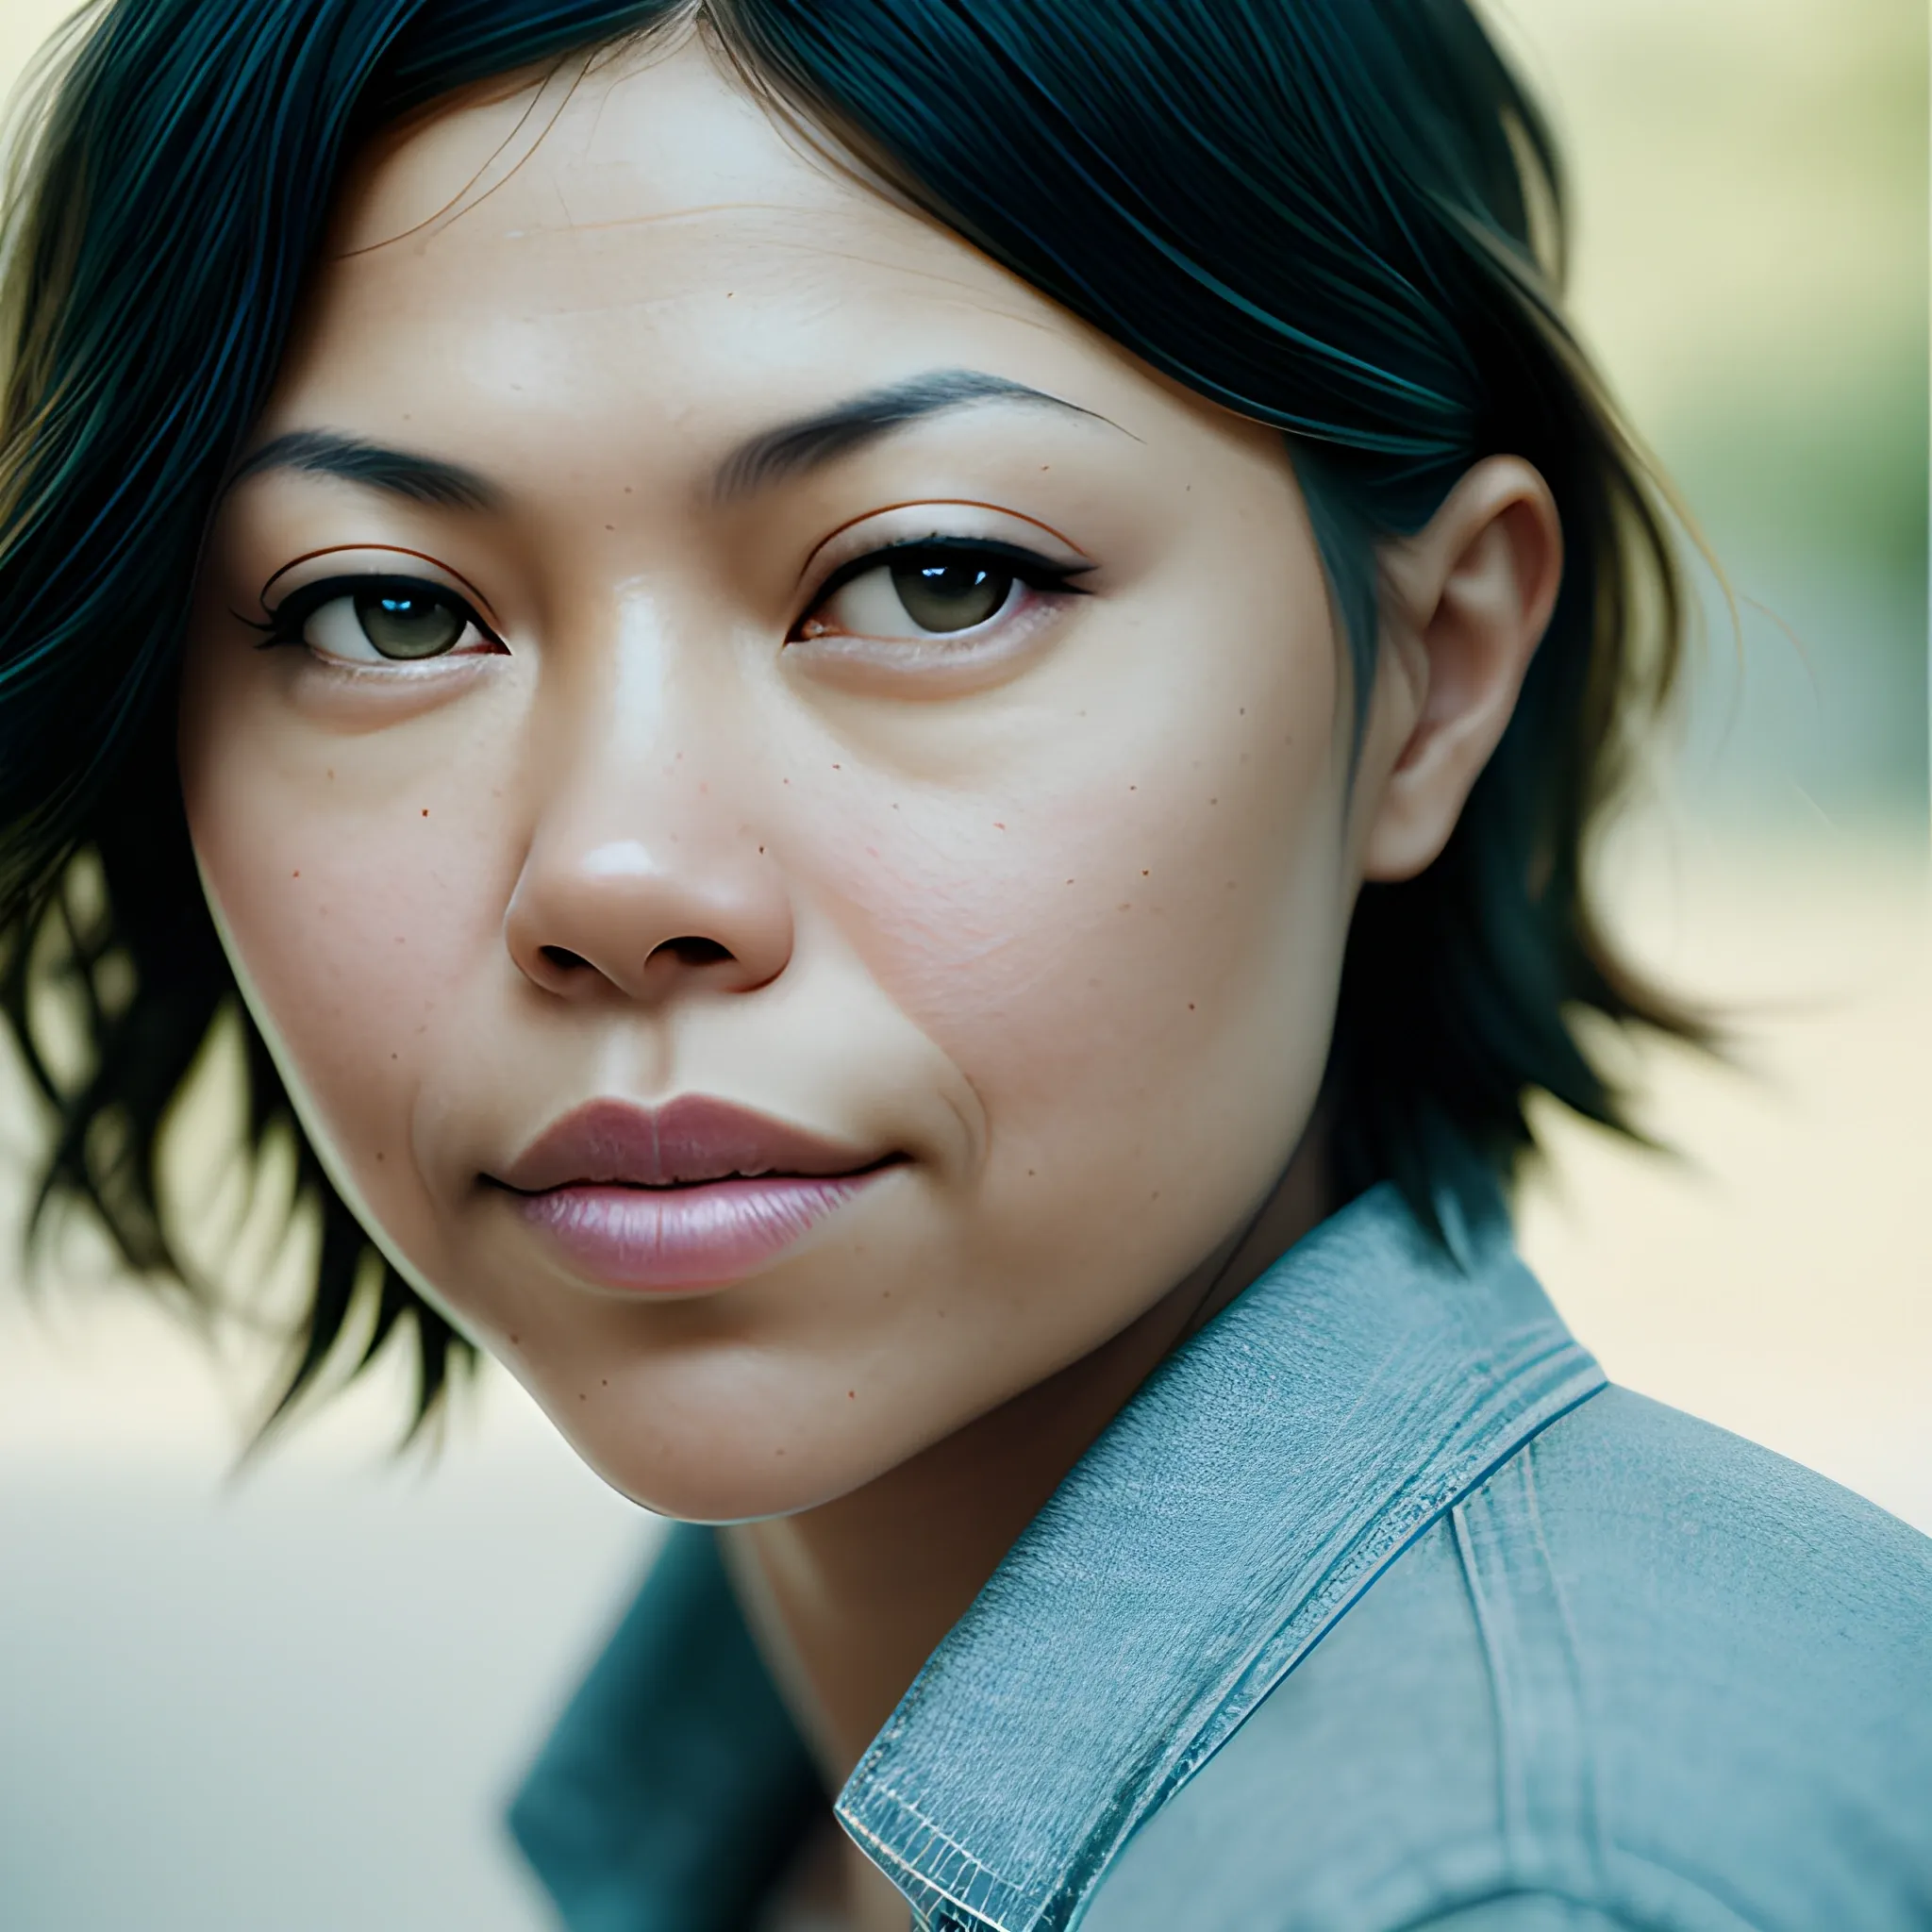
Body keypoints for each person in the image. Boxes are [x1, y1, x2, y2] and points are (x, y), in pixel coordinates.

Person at [1, 2, 1925, 1928]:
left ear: (1433, 674)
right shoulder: (773, 1794)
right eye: (384, 610)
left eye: (938, 576)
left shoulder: (1521, 1884)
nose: (616, 871)